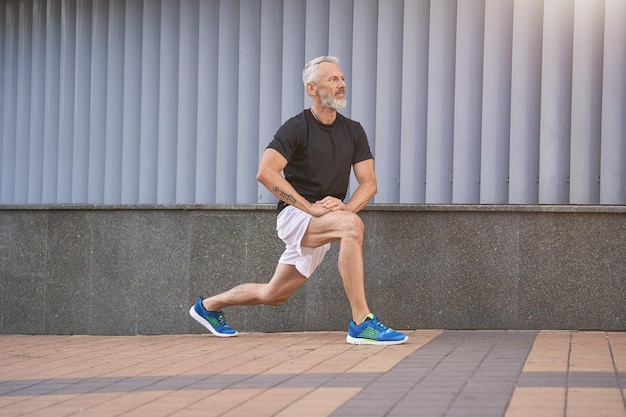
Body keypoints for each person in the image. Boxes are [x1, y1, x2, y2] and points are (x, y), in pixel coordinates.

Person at [190, 56, 408, 345]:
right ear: (312, 88)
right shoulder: (296, 128)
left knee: (274, 295)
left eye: (342, 78)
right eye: (333, 79)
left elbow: (369, 183)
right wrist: (310, 207)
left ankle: (208, 307)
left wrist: (346, 207)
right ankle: (361, 323)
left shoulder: (353, 131)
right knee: (351, 227)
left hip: (326, 219)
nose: (342, 84)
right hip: (295, 217)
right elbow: (266, 173)